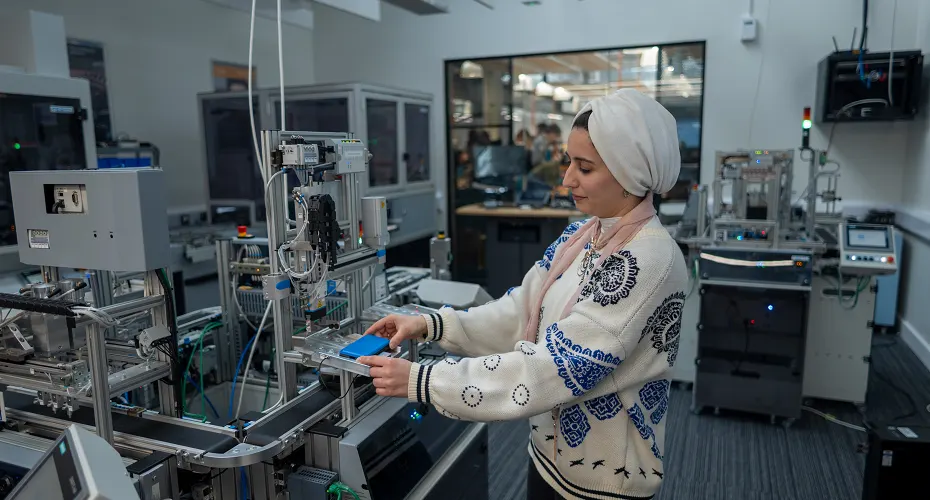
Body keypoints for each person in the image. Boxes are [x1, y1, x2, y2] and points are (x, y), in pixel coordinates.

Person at [359, 89, 688, 500]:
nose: (567, 178)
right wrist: (431, 323)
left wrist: (427, 380)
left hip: (601, 485)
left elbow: (557, 366)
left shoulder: (649, 258)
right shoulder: (584, 235)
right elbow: (519, 311)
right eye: (570, 161)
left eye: (584, 168)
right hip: (549, 458)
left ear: (631, 174)